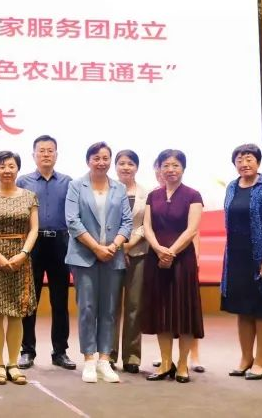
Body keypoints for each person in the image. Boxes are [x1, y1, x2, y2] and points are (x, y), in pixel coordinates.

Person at [66, 142, 133, 383]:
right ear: (88, 161)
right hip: (84, 257)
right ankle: (89, 360)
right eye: (96, 158)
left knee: (109, 309)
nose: (101, 162)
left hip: (112, 257)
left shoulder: (119, 188)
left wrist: (113, 247)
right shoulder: (76, 186)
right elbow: (72, 221)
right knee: (87, 308)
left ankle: (104, 359)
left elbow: (127, 222)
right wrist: (96, 248)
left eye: (105, 158)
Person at [221, 144, 262, 380]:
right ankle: (246, 358)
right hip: (236, 257)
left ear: (258, 162)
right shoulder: (232, 186)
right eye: (239, 159)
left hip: (261, 257)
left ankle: (261, 360)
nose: (244, 163)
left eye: (249, 159)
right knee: (243, 310)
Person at [0, 151, 39, 386]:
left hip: (21, 258)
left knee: (16, 312)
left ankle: (13, 364)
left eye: (11, 166)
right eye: (2, 166)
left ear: (18, 168)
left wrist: (24, 253)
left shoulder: (29, 196)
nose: (7, 170)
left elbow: (34, 229)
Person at [141, 149, 204, 383]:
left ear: (183, 168)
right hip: (156, 259)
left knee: (183, 312)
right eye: (166, 165)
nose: (170, 170)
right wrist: (159, 249)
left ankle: (183, 364)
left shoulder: (193, 195)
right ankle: (165, 363)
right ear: (159, 168)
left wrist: (171, 252)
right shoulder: (153, 195)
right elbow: (147, 227)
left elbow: (192, 230)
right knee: (162, 312)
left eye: (175, 165)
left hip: (182, 260)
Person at [15, 135, 75, 371]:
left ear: (56, 155)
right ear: (34, 155)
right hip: (34, 243)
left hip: (60, 243)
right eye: (41, 151)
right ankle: (27, 350)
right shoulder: (23, 181)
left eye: (50, 150)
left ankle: (60, 351)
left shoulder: (68, 182)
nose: (46, 154)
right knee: (30, 300)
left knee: (60, 301)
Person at [110, 149, 148, 374]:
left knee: (135, 306)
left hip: (138, 254)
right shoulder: (108, 190)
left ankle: (132, 356)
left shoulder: (147, 193)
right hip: (111, 254)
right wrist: (117, 246)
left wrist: (129, 244)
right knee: (111, 307)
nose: (126, 167)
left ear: (137, 167)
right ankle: (108, 354)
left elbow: (146, 224)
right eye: (122, 163)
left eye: (130, 163)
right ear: (115, 167)